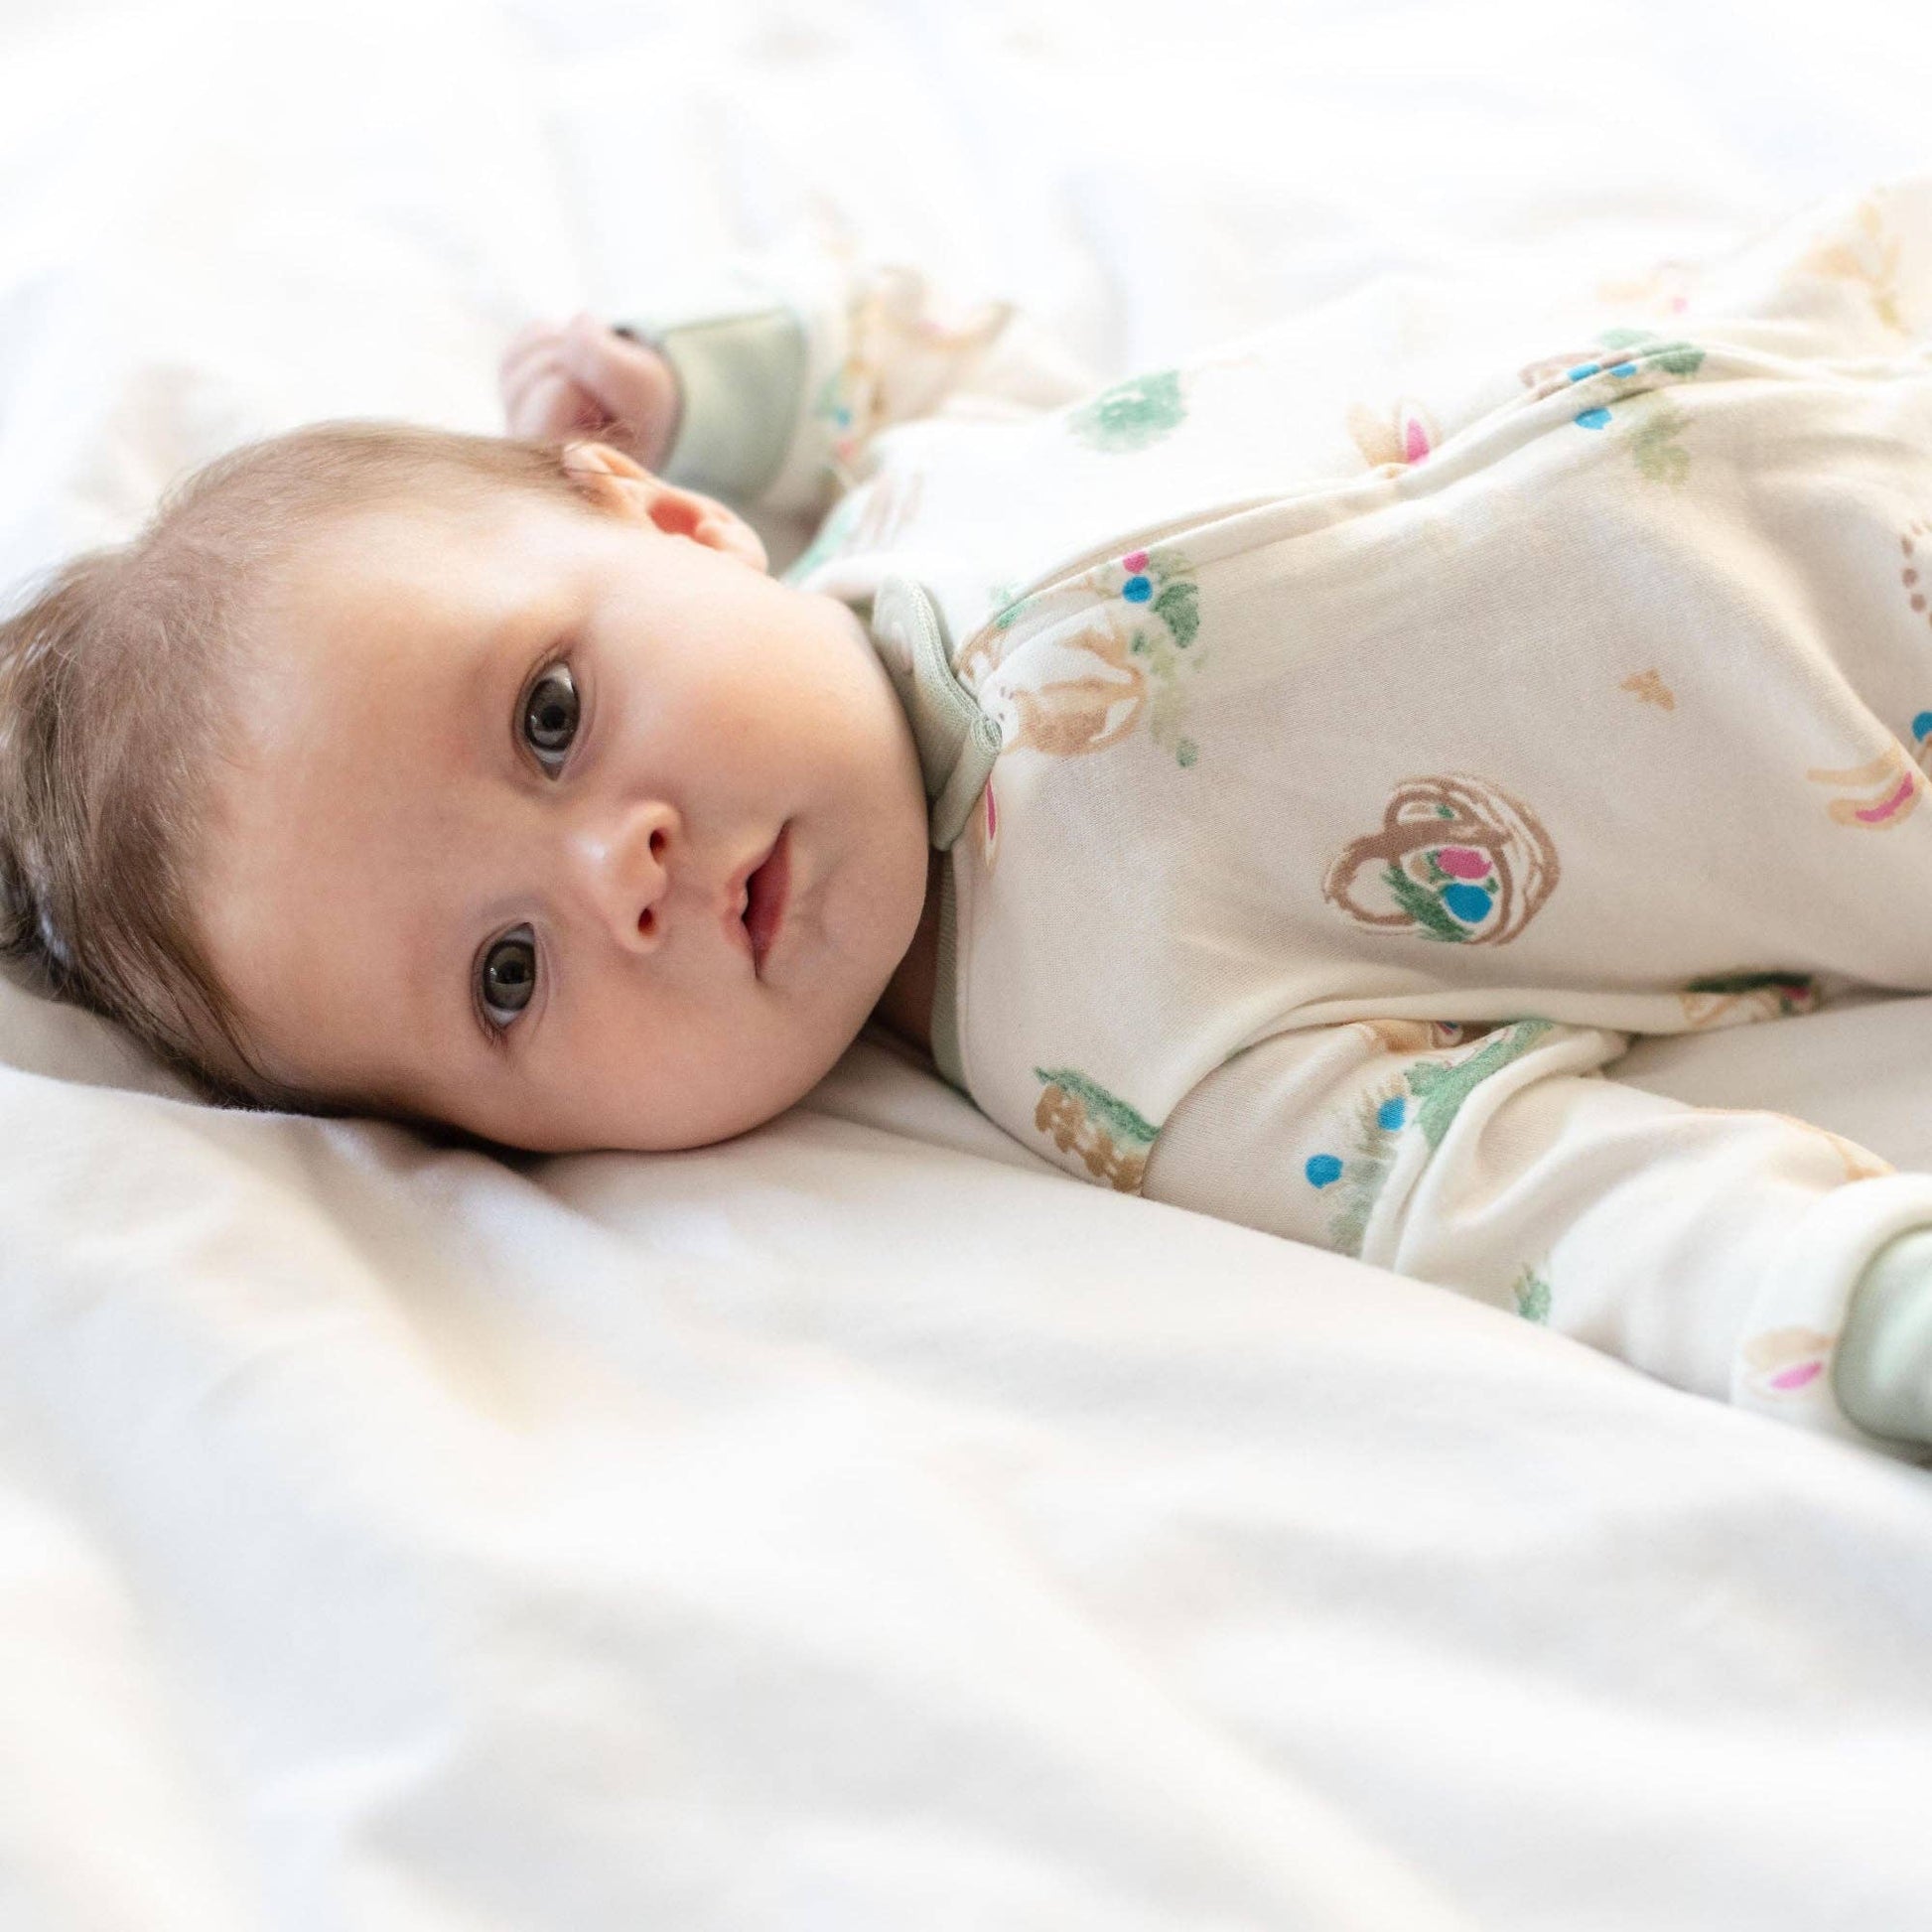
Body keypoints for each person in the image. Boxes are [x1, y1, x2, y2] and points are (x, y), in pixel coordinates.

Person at [8, 181, 1932, 1458]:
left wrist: (723, 379)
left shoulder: (927, 499)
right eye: (505, 976)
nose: (617, 870)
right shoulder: (1116, 1044)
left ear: (671, 519)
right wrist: (1839, 1304)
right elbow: (1508, 1193)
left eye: (550, 714)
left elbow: (941, 356)